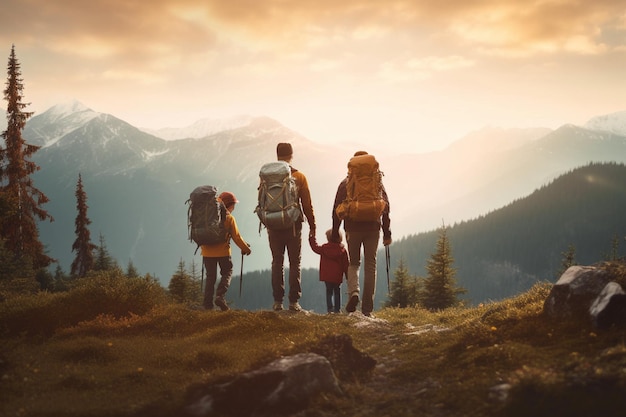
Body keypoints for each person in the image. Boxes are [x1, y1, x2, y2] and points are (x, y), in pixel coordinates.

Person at [331, 151, 391, 317]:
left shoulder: (346, 183)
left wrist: (335, 232)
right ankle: (367, 309)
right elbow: (386, 207)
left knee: (354, 263)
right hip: (373, 228)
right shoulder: (376, 182)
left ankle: (354, 293)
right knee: (370, 265)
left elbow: (336, 209)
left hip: (352, 228)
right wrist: (387, 233)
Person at [268, 142, 316, 311]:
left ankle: (277, 302)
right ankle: (294, 302)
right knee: (295, 262)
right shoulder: (299, 176)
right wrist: (312, 226)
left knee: (277, 262)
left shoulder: (266, 177)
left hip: (273, 224)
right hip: (293, 226)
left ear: (277, 155)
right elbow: (307, 204)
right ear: (291, 155)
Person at [201, 191, 251, 311]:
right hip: (223, 252)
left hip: (207, 252)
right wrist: (246, 249)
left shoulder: (206, 216)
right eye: (234, 205)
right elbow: (237, 237)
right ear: (229, 205)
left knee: (210, 277)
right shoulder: (229, 218)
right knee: (227, 271)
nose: (234, 208)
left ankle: (207, 305)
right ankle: (220, 296)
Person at [309, 229, 349, 313]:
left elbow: (315, 248)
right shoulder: (342, 250)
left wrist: (312, 238)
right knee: (337, 292)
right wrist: (348, 276)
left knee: (329, 292)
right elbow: (346, 265)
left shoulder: (324, 248)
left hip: (327, 275)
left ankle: (330, 309)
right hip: (337, 276)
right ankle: (337, 310)